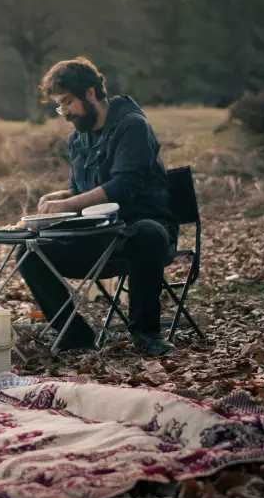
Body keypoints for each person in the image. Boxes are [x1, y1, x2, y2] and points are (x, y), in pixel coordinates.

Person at [19, 57, 180, 356]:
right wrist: (58, 197)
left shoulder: (132, 126)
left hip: (144, 232)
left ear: (91, 93)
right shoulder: (77, 138)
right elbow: (81, 191)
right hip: (97, 237)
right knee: (28, 254)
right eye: (59, 105)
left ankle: (146, 333)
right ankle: (74, 335)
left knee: (145, 233)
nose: (64, 112)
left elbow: (123, 186)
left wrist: (69, 202)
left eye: (68, 102)